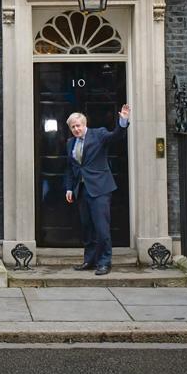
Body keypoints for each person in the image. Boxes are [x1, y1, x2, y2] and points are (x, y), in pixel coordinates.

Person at [64, 104, 131, 275]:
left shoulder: (99, 134)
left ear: (84, 124)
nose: (76, 129)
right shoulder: (70, 143)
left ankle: (104, 262)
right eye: (73, 127)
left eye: (78, 125)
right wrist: (69, 189)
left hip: (100, 188)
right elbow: (71, 168)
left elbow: (116, 136)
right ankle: (90, 260)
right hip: (81, 189)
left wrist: (123, 120)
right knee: (87, 228)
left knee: (102, 228)